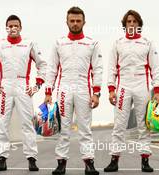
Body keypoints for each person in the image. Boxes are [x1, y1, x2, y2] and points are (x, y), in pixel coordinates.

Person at [0, 15, 47, 172]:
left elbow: (42, 64)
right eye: (10, 25)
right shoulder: (0, 45)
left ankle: (32, 158)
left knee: (27, 123)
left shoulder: (29, 43)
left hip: (23, 85)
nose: (13, 28)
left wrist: (37, 84)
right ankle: (2, 158)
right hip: (5, 87)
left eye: (16, 25)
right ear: (6, 27)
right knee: (2, 123)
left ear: (20, 27)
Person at [44, 6, 103, 175]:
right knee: (64, 128)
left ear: (84, 22)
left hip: (84, 88)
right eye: (72, 21)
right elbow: (52, 69)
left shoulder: (92, 43)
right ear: (67, 22)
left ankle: (89, 163)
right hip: (64, 89)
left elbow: (97, 69)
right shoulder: (59, 42)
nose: (75, 24)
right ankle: (61, 163)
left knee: (85, 128)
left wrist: (96, 93)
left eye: (78, 21)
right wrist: (48, 92)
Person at [104, 10, 159, 173]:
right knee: (119, 125)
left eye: (135, 22)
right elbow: (111, 68)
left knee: (144, 125)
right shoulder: (117, 43)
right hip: (123, 87)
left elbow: (155, 68)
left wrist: (157, 89)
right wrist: (111, 89)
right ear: (125, 25)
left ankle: (145, 160)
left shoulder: (147, 42)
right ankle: (114, 160)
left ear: (139, 25)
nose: (131, 24)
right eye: (129, 22)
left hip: (141, 86)